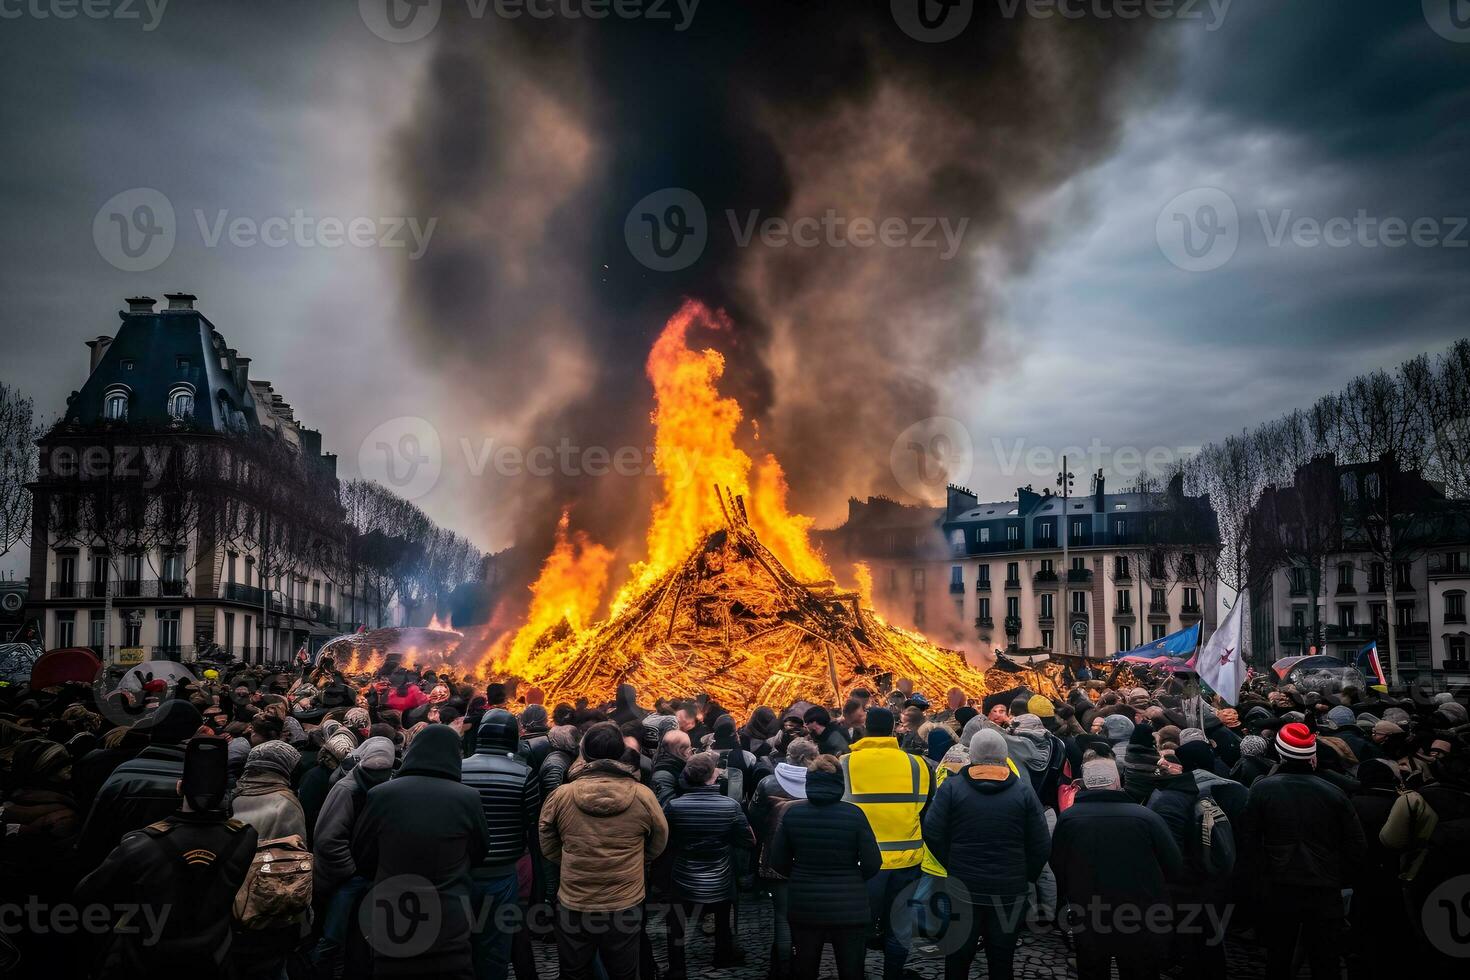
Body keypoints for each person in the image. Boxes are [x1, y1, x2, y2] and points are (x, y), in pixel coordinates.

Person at [74, 737, 258, 980]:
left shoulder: (141, 845)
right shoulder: (245, 837)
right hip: (212, 958)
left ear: (179, 787)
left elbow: (87, 895)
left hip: (146, 959)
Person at [353, 724, 493, 979]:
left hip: (392, 910)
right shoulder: (467, 798)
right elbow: (480, 851)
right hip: (448, 914)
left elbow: (362, 853)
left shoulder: (382, 794)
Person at [538, 722, 668, 980]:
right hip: (625, 900)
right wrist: (637, 859)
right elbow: (660, 839)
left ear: (584, 753)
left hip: (575, 900)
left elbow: (546, 840)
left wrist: (569, 859)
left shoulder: (562, 795)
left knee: (574, 972)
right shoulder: (643, 796)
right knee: (624, 972)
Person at [1239, 723, 1366, 980]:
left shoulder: (1262, 789)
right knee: (1324, 958)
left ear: (1280, 754)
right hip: (1323, 887)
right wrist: (1339, 878)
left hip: (1278, 885)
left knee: (1278, 954)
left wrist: (1258, 879)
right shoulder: (1334, 793)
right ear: (1312, 756)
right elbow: (1356, 846)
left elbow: (1247, 842)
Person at [923, 729, 1050, 980]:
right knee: (1002, 959)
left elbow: (932, 832)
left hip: (963, 887)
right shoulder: (1022, 791)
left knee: (958, 957)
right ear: (1004, 756)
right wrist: (1025, 875)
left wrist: (953, 864)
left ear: (973, 756)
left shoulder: (952, 787)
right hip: (1009, 890)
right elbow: (1041, 843)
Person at [1051, 757, 1182, 980]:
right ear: (1117, 781)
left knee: (1092, 969)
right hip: (1139, 912)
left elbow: (1058, 863)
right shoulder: (1146, 817)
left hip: (1088, 909)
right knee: (1139, 969)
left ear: (1085, 784)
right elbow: (1173, 864)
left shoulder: (1070, 819)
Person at [770, 754, 882, 980]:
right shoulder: (854, 814)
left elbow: (777, 861)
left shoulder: (793, 814)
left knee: (805, 967)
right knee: (851, 971)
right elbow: (873, 862)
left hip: (805, 902)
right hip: (850, 904)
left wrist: (799, 875)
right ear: (840, 783)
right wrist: (854, 878)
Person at [841, 706, 933, 980]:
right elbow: (927, 812)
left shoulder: (845, 762)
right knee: (901, 925)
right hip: (908, 861)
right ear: (893, 730)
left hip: (863, 863)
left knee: (857, 926)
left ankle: (855, 973)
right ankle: (893, 974)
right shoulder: (918, 765)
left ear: (865, 728)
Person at [460, 709, 541, 980]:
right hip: (504, 874)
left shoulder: (459, 768)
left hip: (464, 871)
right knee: (496, 944)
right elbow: (532, 822)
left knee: (463, 939)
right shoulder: (524, 773)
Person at [75, 700, 203, 869]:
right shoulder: (202, 780)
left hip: (122, 875)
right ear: (195, 735)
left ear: (153, 733)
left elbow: (91, 839)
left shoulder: (122, 775)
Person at [662, 751, 756, 979]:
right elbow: (747, 840)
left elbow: (665, 838)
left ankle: (677, 966)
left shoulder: (674, 806)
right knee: (723, 915)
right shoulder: (730, 806)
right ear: (712, 778)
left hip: (684, 874)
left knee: (676, 920)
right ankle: (722, 952)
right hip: (720, 874)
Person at [310, 736, 395, 978]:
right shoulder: (347, 789)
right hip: (351, 879)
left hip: (366, 878)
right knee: (335, 938)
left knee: (351, 939)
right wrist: (351, 872)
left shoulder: (383, 788)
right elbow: (328, 838)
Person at [227, 740, 309, 980]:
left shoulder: (232, 795)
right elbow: (293, 867)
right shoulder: (286, 803)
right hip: (267, 910)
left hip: (228, 903)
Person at [749, 737, 819, 980]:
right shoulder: (819, 783)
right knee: (809, 916)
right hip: (811, 857)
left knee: (781, 916)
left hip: (776, 856)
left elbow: (754, 817)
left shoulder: (768, 783)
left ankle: (783, 967)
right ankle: (806, 964)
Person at [651, 728, 693, 807]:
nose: (690, 751)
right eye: (689, 747)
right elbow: (664, 804)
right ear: (680, 750)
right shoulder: (663, 773)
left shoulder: (676, 766)